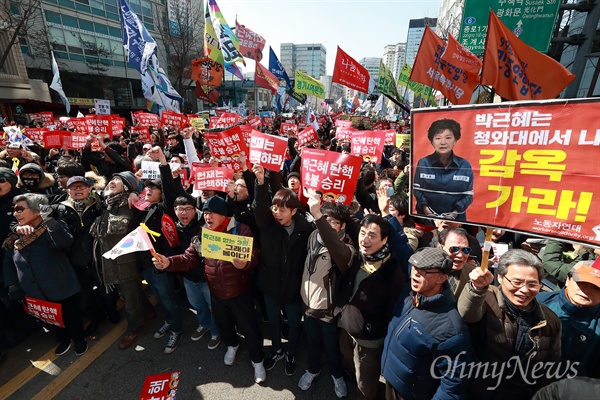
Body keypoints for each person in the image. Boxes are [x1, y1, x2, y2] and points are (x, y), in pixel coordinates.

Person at [152, 196, 266, 384]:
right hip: (216, 292)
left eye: (212, 213)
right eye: (205, 213)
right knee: (224, 324)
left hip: (239, 291)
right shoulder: (202, 234)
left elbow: (255, 255)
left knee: (250, 328)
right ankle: (232, 345)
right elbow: (189, 258)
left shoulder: (241, 230)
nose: (207, 217)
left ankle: (257, 360)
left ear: (223, 215)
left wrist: (246, 262)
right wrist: (168, 262)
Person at [457, 249, 562, 399]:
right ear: (500, 277)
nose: (524, 290)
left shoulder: (550, 321)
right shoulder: (485, 299)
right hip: (474, 392)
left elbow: (549, 369)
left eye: (532, 284)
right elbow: (467, 314)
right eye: (517, 282)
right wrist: (476, 289)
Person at [336, 214, 411, 400]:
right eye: (362, 233)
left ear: (385, 239)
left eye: (372, 235)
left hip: (369, 342)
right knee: (351, 366)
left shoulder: (393, 271)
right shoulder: (358, 257)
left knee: (365, 386)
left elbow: (393, 312)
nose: (365, 239)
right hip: (347, 329)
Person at [3, 193, 87, 356]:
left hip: (60, 285)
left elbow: (64, 242)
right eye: (14, 209)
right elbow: (8, 262)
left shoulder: (54, 226)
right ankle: (63, 339)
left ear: (36, 211)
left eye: (20, 209)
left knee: (70, 315)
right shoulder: (16, 236)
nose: (15, 213)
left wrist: (49, 221)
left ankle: (79, 339)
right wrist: (13, 286)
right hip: (33, 291)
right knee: (48, 318)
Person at [381, 247, 471, 400]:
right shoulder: (410, 295)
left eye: (425, 271)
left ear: (442, 278)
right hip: (390, 379)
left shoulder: (451, 329)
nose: (415, 273)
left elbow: (452, 386)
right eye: (415, 267)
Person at [252, 164, 314, 377]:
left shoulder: (307, 229)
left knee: (295, 323)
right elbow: (259, 208)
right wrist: (260, 181)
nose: (277, 213)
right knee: (274, 321)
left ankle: (291, 353)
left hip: (294, 286)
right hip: (270, 284)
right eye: (275, 208)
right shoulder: (267, 225)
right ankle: (277, 350)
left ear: (294, 211)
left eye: (282, 209)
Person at [298, 196, 355, 398]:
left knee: (332, 348)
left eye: (333, 221)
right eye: (326, 219)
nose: (328, 224)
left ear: (342, 226)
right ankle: (313, 370)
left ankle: (337, 376)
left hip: (328, 311)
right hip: (308, 305)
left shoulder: (347, 249)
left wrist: (319, 217)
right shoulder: (313, 235)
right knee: (312, 343)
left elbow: (336, 250)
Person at [90, 171, 149, 350]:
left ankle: (135, 328)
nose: (112, 182)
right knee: (128, 294)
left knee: (130, 297)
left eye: (119, 180)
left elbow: (152, 200)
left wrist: (135, 193)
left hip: (126, 262)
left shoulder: (133, 203)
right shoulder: (107, 204)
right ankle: (149, 311)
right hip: (109, 261)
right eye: (112, 179)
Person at [172, 196, 221, 350]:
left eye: (188, 209)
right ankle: (204, 324)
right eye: (180, 209)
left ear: (195, 210)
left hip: (207, 277)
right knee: (198, 305)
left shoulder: (205, 226)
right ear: (175, 211)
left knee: (213, 306)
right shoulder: (174, 227)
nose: (183, 212)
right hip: (189, 277)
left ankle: (216, 331)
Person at [537, 259, 600, 378]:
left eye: (596, 287)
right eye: (581, 282)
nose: (586, 290)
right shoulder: (537, 303)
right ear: (568, 280)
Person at [413, 118, 473, 221]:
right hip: (426, 220)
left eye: (448, 137)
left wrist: (454, 214)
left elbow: (468, 196)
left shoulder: (465, 165)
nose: (443, 142)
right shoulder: (423, 163)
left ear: (455, 140)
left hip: (455, 221)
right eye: (438, 138)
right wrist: (427, 211)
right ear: (431, 141)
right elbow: (417, 190)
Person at [437, 227, 477, 299]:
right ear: (440, 247)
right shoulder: (425, 270)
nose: (460, 255)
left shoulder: (473, 274)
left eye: (465, 250)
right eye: (454, 249)